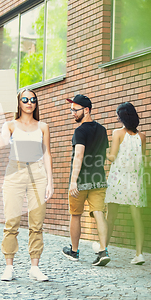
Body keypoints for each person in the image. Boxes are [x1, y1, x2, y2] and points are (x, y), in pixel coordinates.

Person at [0, 89, 54, 282]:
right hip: (15, 173)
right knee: (11, 221)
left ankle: (35, 267)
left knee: (36, 223)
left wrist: (50, 181)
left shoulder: (43, 126)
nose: (29, 102)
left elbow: (47, 153)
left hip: (38, 174)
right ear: (19, 103)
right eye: (25, 99)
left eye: (32, 99)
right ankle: (9, 267)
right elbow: (0, 143)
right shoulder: (10, 125)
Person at [62, 94, 110, 266]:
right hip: (98, 179)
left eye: (75, 110)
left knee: (75, 215)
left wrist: (73, 181)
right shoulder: (103, 130)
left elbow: (79, 156)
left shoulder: (80, 131)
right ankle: (103, 251)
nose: (72, 113)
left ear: (87, 110)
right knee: (99, 213)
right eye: (71, 110)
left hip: (81, 180)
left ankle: (74, 251)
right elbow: (103, 155)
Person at [101, 102, 147, 265]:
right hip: (135, 181)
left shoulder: (118, 133)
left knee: (111, 217)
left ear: (121, 117)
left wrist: (103, 153)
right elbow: (142, 160)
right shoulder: (142, 137)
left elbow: (113, 156)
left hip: (118, 180)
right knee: (137, 218)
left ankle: (103, 249)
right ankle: (139, 254)